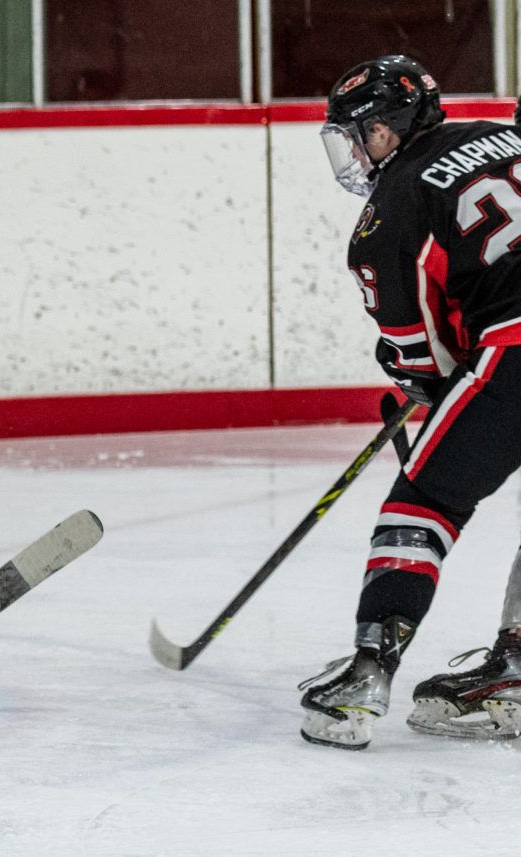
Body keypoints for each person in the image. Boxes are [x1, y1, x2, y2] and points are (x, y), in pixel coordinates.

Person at [298, 55, 521, 749]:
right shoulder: (506, 135)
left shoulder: (387, 214)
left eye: (362, 133)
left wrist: (416, 378)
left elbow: (425, 359)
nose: (357, 150)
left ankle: (366, 676)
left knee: (423, 501)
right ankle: (515, 669)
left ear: (394, 127)